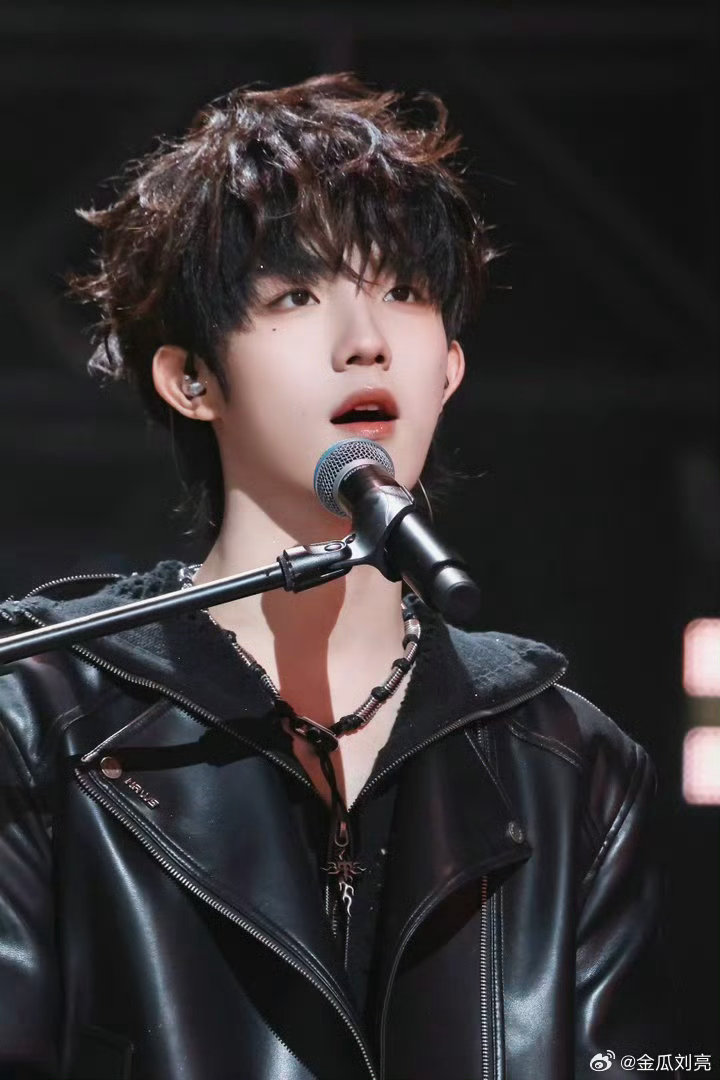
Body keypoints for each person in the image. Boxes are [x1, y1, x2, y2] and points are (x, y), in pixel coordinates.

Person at [0, 73, 677, 1080]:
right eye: (297, 295)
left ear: (448, 369)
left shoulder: (572, 766)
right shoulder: (40, 719)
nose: (366, 342)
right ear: (191, 379)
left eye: (405, 293)